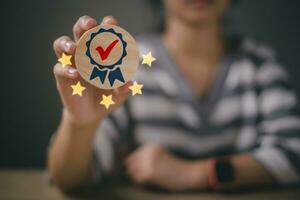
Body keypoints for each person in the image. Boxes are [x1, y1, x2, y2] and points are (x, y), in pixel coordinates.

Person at [48, 0, 300, 192]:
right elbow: (70, 180)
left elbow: (294, 154)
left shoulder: (259, 64)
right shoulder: (125, 67)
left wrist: (196, 173)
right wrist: (79, 123)